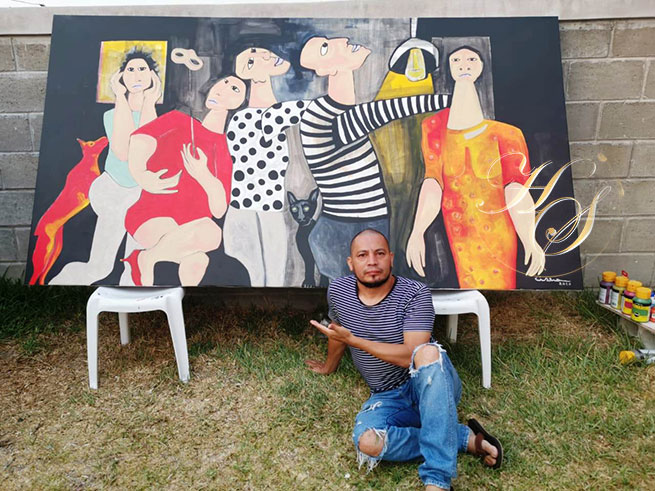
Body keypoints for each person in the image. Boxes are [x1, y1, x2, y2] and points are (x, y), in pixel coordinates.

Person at [306, 229, 502, 490]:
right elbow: (338, 332)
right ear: (350, 263)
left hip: (430, 384)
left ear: (391, 258)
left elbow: (412, 355)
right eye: (362, 255)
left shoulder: (414, 293)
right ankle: (463, 439)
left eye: (379, 254)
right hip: (387, 395)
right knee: (368, 442)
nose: (372, 261)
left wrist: (356, 341)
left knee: (427, 352)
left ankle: (437, 480)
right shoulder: (339, 291)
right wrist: (329, 367)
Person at [406, 46, 545, 289]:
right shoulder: (433, 129)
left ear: (481, 66)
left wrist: (529, 238)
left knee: (501, 283)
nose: (464, 64)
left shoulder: (508, 134)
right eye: (456, 60)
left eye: (471, 59)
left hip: (499, 230)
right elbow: (433, 182)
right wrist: (417, 231)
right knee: (465, 279)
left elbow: (515, 189)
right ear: (448, 68)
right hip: (459, 231)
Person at [50, 48, 161, 285]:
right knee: (99, 268)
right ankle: (57, 282)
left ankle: (135, 302)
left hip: (143, 196)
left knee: (135, 265)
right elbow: (124, 153)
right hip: (115, 191)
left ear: (153, 76)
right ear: (120, 77)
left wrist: (150, 102)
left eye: (143, 69)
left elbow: (148, 150)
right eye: (130, 69)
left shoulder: (158, 117)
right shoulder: (112, 115)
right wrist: (120, 96)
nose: (137, 74)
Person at [122, 75, 246, 286]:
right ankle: (146, 261)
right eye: (223, 82)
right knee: (208, 232)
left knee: (199, 258)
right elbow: (140, 139)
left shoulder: (224, 150)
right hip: (152, 215)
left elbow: (218, 210)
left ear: (240, 103)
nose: (223, 89)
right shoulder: (178, 120)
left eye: (235, 89)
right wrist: (141, 175)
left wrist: (203, 174)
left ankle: (146, 259)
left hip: (195, 226)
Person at [223, 46, 308, 286]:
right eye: (254, 56)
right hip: (247, 210)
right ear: (250, 71)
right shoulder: (252, 117)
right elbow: (312, 108)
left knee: (271, 279)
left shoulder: (271, 114)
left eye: (262, 51)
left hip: (265, 208)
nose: (266, 54)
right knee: (260, 279)